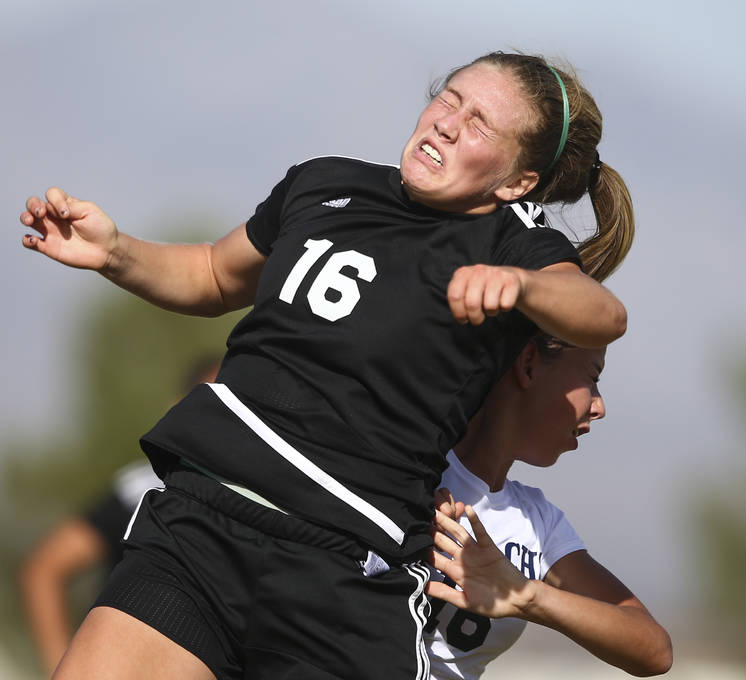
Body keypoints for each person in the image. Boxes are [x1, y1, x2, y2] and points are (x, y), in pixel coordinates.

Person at [20, 51, 634, 680]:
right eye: (449, 98)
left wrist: (524, 287)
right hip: (202, 525)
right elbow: (209, 273)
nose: (447, 123)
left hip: (344, 577)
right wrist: (117, 252)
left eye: (480, 123)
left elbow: (601, 313)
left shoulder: (513, 245)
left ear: (515, 183)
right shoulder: (324, 183)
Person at [424, 347, 671, 677]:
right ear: (528, 365)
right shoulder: (413, 469)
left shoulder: (537, 521)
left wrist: (527, 595)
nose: (600, 408)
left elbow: (654, 650)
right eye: (592, 378)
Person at [18, 356, 221, 677]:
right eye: (210, 402)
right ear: (178, 407)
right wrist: (62, 666)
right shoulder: (143, 488)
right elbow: (46, 567)